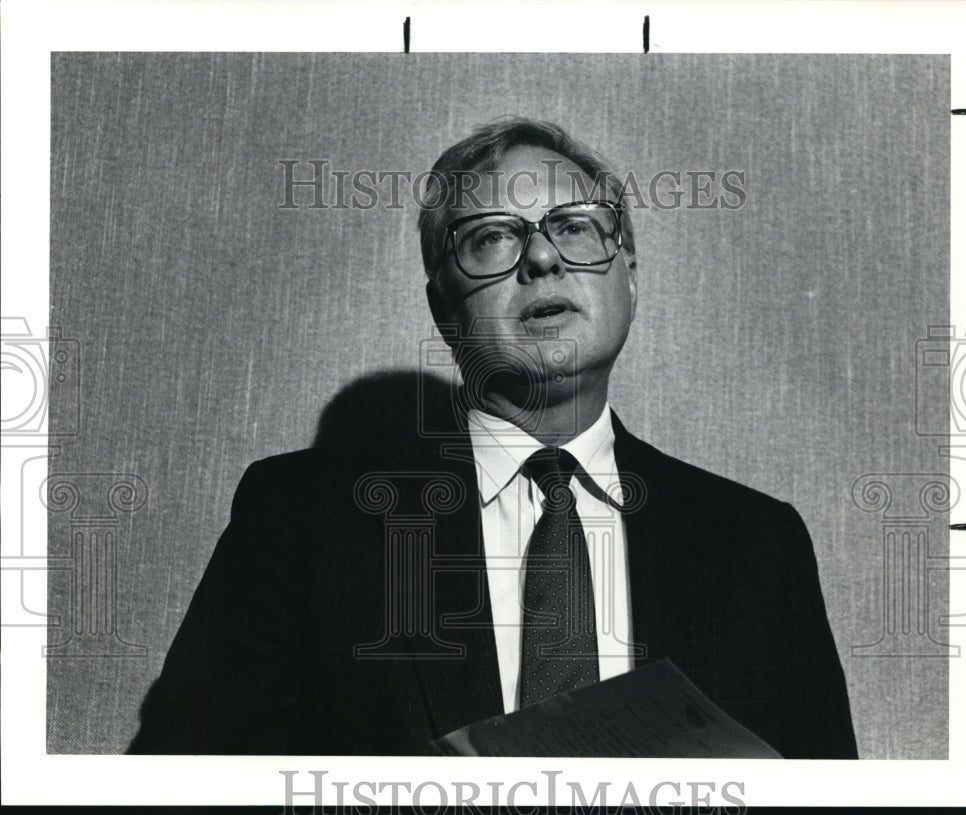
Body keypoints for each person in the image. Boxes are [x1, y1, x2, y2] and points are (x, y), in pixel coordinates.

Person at [129, 118, 858, 758]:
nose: (541, 258)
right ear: (442, 305)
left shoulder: (761, 545)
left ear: (629, 275)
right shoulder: (298, 518)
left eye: (574, 226)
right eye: (490, 238)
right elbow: (184, 780)